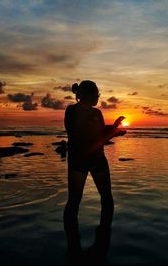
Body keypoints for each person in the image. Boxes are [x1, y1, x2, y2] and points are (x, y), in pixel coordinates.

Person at [63, 80, 125, 261]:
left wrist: (114, 128)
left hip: (96, 158)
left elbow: (98, 134)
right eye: (97, 95)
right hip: (79, 160)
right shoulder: (72, 111)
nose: (98, 98)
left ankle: (104, 234)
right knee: (74, 200)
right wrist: (111, 132)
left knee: (107, 197)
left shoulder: (97, 113)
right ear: (88, 95)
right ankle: (73, 246)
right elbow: (77, 133)